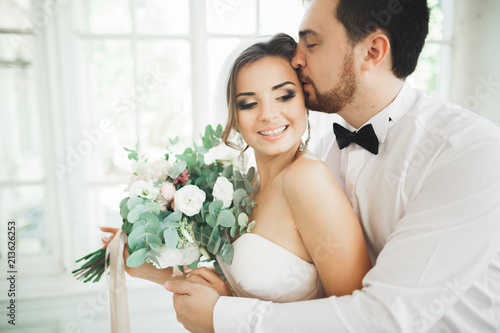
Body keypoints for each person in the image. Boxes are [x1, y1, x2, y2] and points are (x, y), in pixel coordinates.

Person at [166, 0, 500, 332]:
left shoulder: (468, 152)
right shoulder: (320, 151)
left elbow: (384, 318)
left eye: (310, 44)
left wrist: (224, 317)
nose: (296, 59)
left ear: (372, 52)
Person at [112, 32, 372, 313]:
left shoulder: (308, 179)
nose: (269, 115)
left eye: (284, 95)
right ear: (233, 116)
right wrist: (142, 265)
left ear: (305, 100)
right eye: (249, 103)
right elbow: (237, 290)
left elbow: (356, 317)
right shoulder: (246, 185)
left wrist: (224, 313)